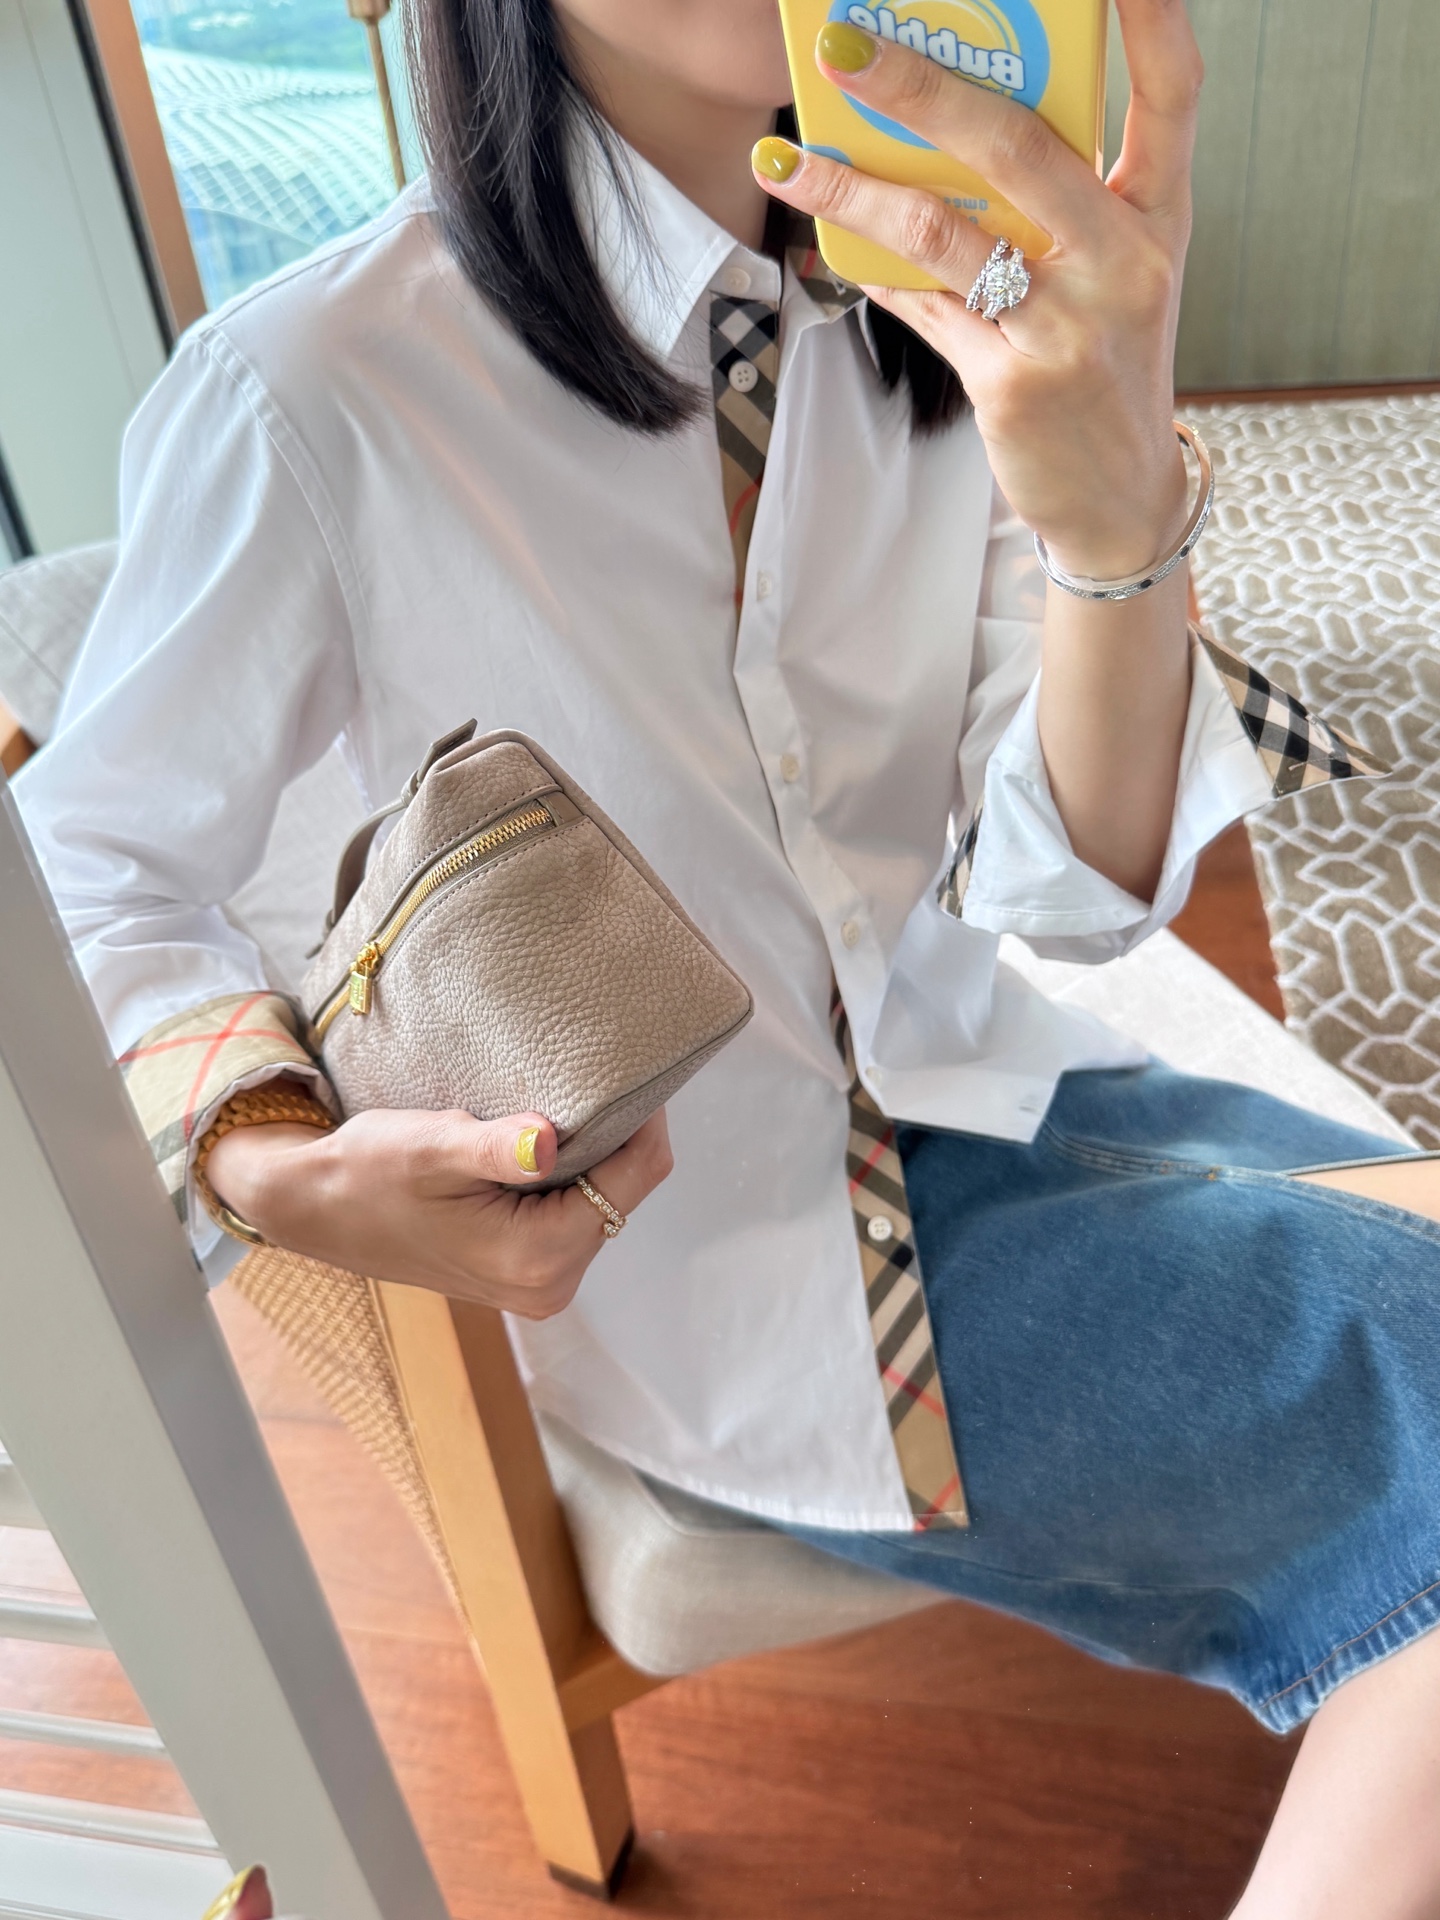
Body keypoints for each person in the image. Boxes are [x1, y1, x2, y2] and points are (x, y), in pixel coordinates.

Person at [16, 0, 1440, 1909]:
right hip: (739, 1281)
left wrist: (1117, 529)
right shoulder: (316, 386)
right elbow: (79, 868)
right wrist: (270, 1158)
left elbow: (1072, 897)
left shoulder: (948, 294)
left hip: (993, 1084)